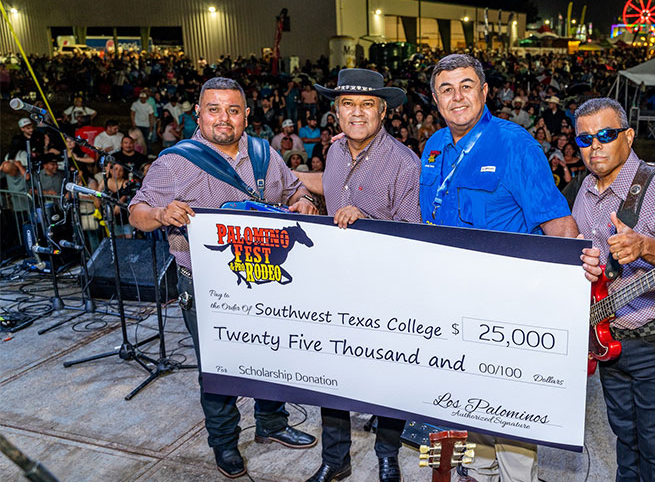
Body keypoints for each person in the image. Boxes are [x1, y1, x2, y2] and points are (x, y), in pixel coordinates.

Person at [129, 77, 319, 479]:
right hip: (205, 286)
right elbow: (137, 212)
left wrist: (302, 200)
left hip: (264, 278)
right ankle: (225, 443)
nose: (223, 118)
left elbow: (295, 190)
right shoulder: (175, 161)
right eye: (213, 109)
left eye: (233, 109)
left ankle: (272, 423)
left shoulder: (264, 153)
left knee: (272, 356)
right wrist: (162, 214)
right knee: (218, 368)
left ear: (246, 114)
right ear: (198, 113)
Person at [420, 54, 577, 482]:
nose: (458, 97)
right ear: (436, 99)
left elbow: (560, 227)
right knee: (467, 400)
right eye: (447, 89)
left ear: (485, 92)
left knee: (508, 408)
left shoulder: (515, 144)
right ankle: (479, 470)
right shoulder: (433, 147)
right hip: (451, 305)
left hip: (507, 308)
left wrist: (572, 300)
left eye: (467, 86)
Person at [293, 68, 420, 482]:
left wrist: (365, 221)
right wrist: (304, 197)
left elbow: (413, 233)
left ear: (383, 111)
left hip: (385, 288)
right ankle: (335, 459)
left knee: (386, 374)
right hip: (335, 283)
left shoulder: (404, 163)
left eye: (367, 104)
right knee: (332, 372)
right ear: (336, 111)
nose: (357, 112)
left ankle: (387, 455)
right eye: (348, 103)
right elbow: (331, 193)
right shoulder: (333, 152)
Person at [572, 97, 655, 482]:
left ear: (628, 136)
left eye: (606, 134)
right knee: (625, 443)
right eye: (584, 139)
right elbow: (590, 260)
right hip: (609, 337)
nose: (595, 145)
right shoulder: (584, 190)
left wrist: (647, 246)